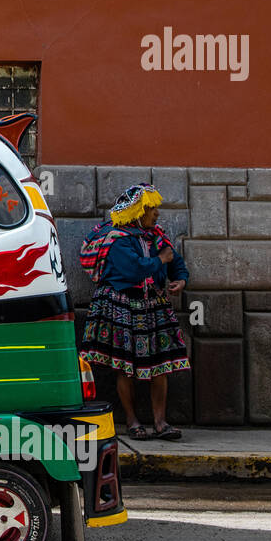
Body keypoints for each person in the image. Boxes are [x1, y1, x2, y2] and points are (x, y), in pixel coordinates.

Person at [80, 183, 189, 441]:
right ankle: (132, 421)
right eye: (151, 208)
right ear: (138, 211)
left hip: (153, 305)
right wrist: (159, 261)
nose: (156, 213)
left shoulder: (156, 236)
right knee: (124, 367)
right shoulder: (117, 241)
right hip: (122, 306)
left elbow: (176, 261)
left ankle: (161, 422)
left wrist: (180, 279)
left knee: (160, 366)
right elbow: (135, 269)